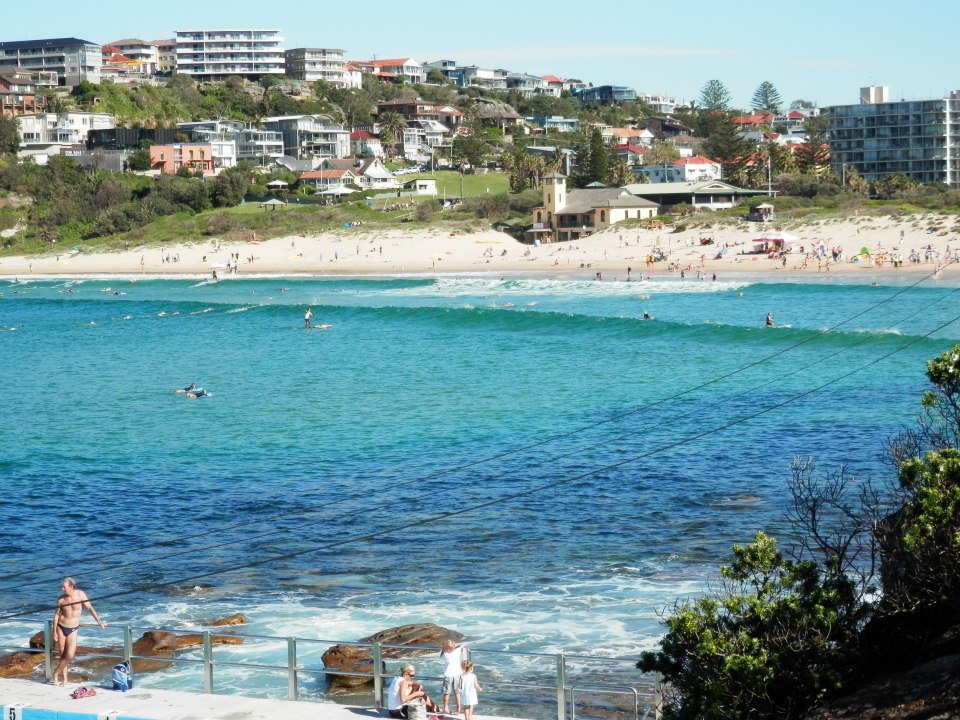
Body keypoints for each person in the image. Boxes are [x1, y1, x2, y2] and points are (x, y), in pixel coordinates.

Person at [52, 577, 106, 686]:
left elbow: (90, 608)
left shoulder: (80, 594)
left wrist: (99, 621)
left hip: (73, 628)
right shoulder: (61, 599)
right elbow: (57, 615)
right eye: (61, 587)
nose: (62, 589)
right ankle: (65, 678)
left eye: (64, 587)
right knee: (62, 654)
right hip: (61, 627)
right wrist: (54, 632)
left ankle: (55, 674)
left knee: (70, 655)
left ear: (71, 586)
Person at [440, 639, 464, 714]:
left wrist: (444, 648)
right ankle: (458, 709)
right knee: (457, 693)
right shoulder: (457, 652)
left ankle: (446, 707)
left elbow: (441, 654)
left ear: (445, 648)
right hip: (457, 674)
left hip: (448, 675)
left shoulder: (445, 655)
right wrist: (456, 647)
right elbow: (462, 645)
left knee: (446, 693)